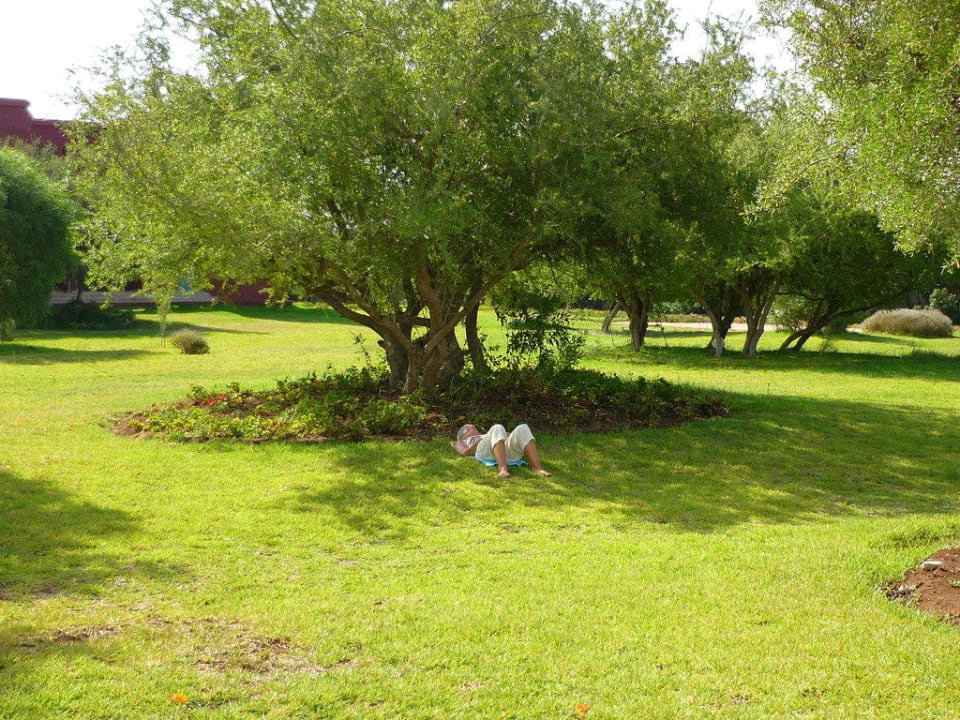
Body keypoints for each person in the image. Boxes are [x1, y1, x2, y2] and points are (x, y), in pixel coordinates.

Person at [452, 423, 552, 478]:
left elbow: (508, 436)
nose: (473, 429)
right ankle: (502, 468)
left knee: (523, 427)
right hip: (484, 452)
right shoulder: (463, 440)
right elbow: (465, 452)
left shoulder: (485, 435)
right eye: (469, 429)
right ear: (464, 435)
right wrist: (480, 439)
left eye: (473, 428)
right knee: (497, 427)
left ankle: (537, 468)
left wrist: (511, 436)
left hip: (503, 450)